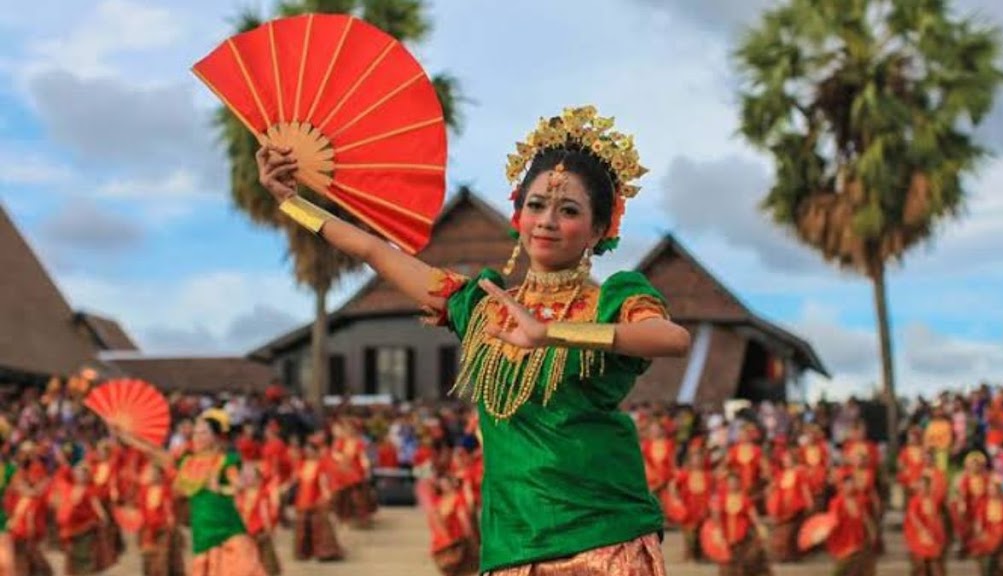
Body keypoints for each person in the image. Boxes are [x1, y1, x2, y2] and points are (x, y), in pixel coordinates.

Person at [257, 105, 690, 574]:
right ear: (517, 213)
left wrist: (551, 334)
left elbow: (670, 338)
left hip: (603, 535)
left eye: (568, 210)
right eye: (536, 204)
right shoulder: (482, 306)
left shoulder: (613, 299)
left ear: (599, 230)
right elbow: (374, 251)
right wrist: (289, 201)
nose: (546, 220)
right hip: (513, 539)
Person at [116, 408, 267, 576]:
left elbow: (240, 485)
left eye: (203, 433)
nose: (197, 438)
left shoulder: (226, 460)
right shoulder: (187, 463)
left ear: (215, 437)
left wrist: (222, 488)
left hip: (228, 529)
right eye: (195, 433)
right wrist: (127, 436)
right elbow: (154, 452)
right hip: (203, 531)